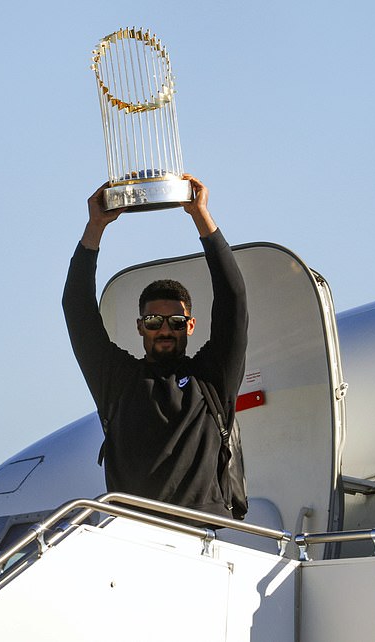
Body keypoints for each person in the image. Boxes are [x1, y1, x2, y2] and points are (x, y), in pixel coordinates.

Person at [62, 175, 249, 520]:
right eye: (153, 322)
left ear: (190, 326)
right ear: (139, 327)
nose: (165, 329)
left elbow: (233, 300)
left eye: (177, 322)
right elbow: (76, 307)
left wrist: (200, 215)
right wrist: (96, 226)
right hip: (134, 533)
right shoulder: (117, 381)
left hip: (201, 535)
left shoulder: (212, 378)